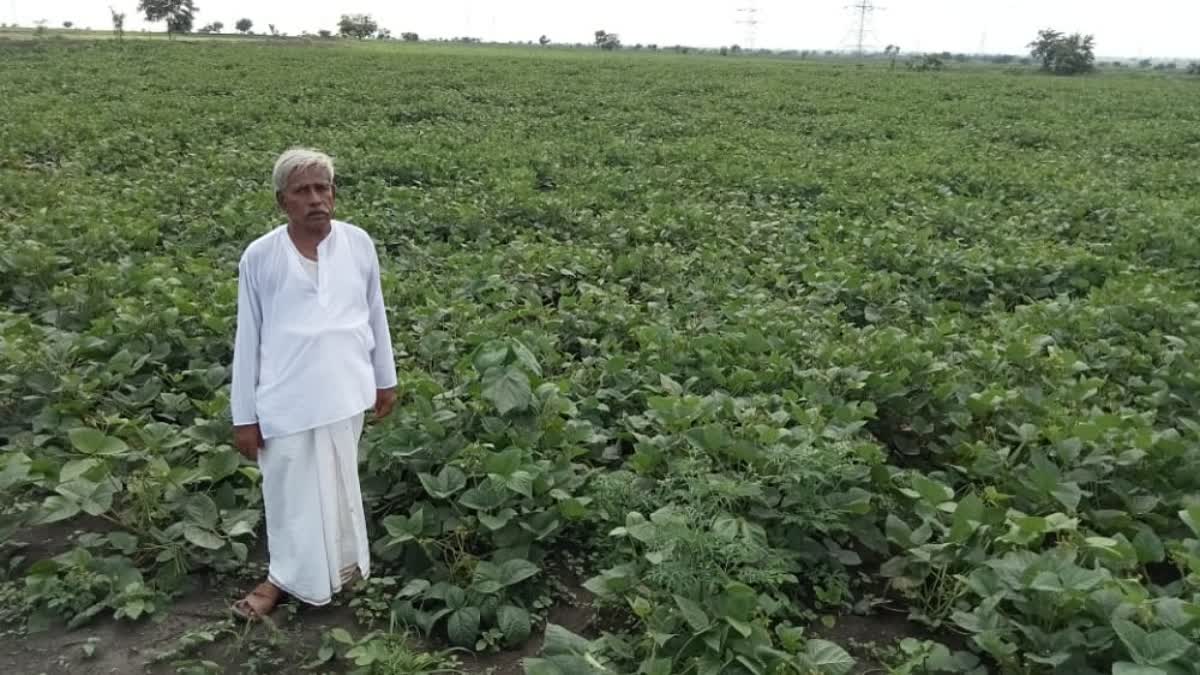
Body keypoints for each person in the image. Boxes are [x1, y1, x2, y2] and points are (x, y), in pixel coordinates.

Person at [228, 147, 397, 620]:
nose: (316, 199)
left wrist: (385, 379)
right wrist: (244, 416)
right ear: (283, 201)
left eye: (323, 188)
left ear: (335, 194)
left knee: (341, 482)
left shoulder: (358, 243)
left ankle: (342, 565)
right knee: (287, 493)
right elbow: (248, 339)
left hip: (345, 391)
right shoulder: (260, 257)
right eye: (303, 191)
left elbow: (375, 314)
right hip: (285, 400)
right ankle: (282, 578)